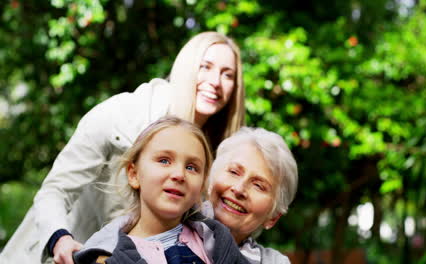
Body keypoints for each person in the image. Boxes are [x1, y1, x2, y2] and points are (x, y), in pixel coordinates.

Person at [0, 31, 245, 264]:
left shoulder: (217, 152)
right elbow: (55, 191)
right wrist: (60, 239)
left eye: (228, 74)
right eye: (206, 67)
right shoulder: (122, 114)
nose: (215, 82)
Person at [73, 117, 248, 264]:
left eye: (191, 167)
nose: (179, 175)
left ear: (201, 184)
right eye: (164, 161)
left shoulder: (216, 241)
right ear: (134, 174)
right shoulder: (108, 257)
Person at [205, 127, 298, 263]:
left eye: (258, 186)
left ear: (273, 217)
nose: (238, 189)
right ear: (210, 180)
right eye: (234, 172)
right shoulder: (169, 227)